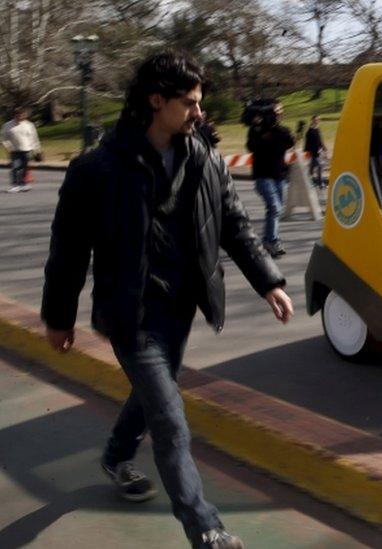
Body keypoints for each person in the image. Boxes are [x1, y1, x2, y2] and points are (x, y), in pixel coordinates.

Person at [41, 51, 293, 549]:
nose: (199, 112)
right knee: (171, 420)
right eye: (190, 103)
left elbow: (234, 226)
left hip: (180, 308)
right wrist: (58, 316)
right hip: (130, 313)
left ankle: (115, 456)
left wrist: (269, 281)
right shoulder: (97, 169)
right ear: (157, 101)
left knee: (155, 395)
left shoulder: (204, 159)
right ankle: (207, 529)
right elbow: (67, 250)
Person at [246, 100, 294, 258]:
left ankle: (270, 240)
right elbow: (251, 146)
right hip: (263, 176)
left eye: (281, 111)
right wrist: (257, 127)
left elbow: (290, 142)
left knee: (274, 211)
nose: (279, 114)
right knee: (275, 208)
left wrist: (275, 128)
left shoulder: (281, 131)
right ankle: (271, 241)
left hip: (280, 176)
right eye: (277, 111)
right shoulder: (257, 130)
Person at [2, 106, 41, 193]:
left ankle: (23, 184)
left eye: (22, 115)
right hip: (14, 150)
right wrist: (8, 147)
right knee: (16, 167)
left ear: (25, 115)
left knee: (25, 167)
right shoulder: (8, 125)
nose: (20, 117)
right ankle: (15, 185)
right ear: (15, 115)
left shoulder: (29, 125)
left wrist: (37, 150)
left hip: (27, 149)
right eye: (18, 115)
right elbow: (4, 138)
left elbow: (34, 138)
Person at [303, 114, 326, 188]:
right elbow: (307, 143)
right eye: (316, 120)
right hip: (313, 153)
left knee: (312, 168)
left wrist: (323, 147)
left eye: (319, 120)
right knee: (319, 166)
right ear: (312, 120)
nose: (318, 121)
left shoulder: (317, 129)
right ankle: (320, 183)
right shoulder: (309, 131)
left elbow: (320, 140)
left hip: (318, 152)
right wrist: (307, 152)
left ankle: (309, 181)